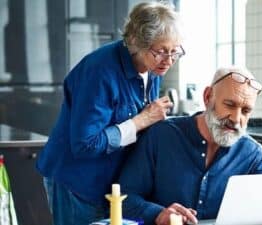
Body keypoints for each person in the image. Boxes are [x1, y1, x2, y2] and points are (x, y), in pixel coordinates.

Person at [35, 2, 185, 225]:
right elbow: (86, 144)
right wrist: (141, 120)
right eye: (161, 52)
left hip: (112, 183)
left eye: (175, 51)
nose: (169, 60)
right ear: (138, 44)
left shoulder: (153, 67)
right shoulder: (100, 72)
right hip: (78, 182)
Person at [118, 66, 262, 225]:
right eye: (229, 105)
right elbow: (123, 198)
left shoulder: (252, 153)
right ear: (207, 97)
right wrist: (159, 214)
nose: (236, 119)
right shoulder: (162, 136)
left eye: (246, 110)